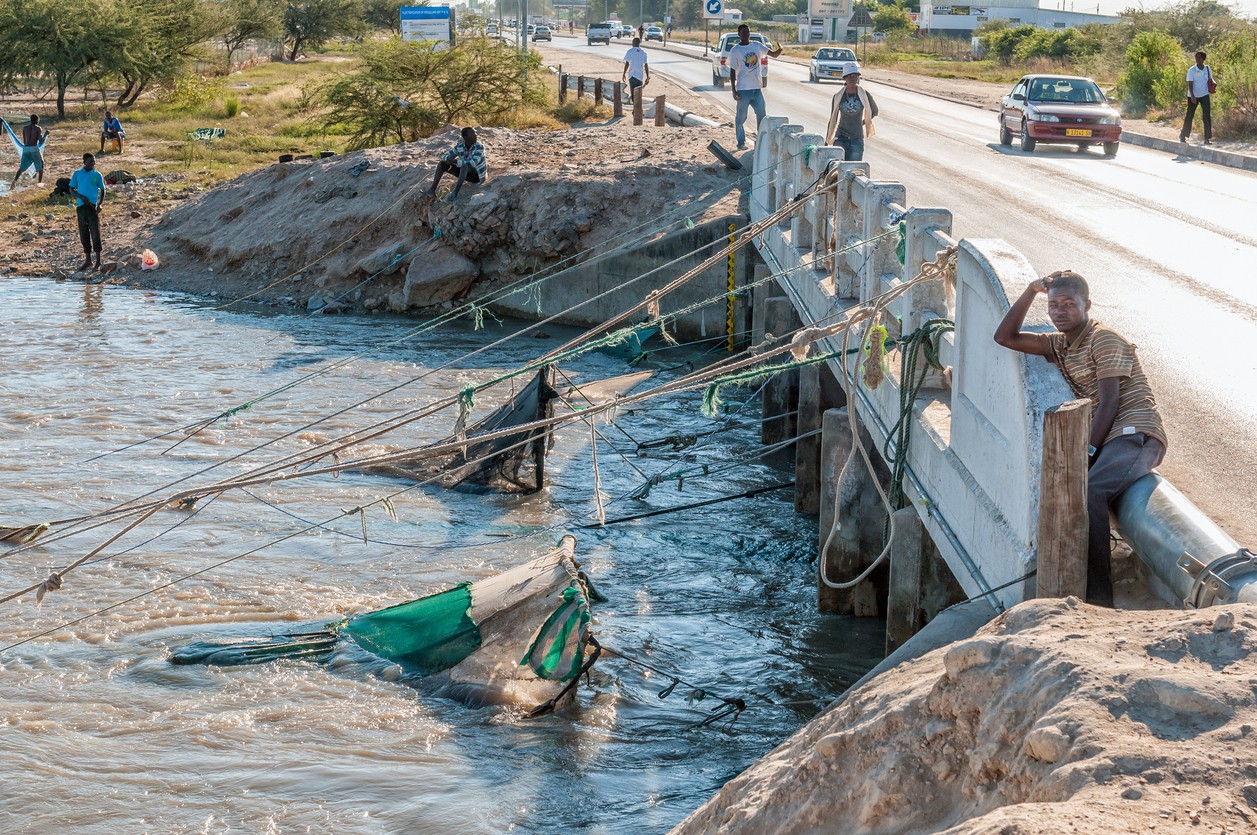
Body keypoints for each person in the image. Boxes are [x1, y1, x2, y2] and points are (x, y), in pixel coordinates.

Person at [994, 270, 1167, 608]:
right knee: (1076, 492)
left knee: (1091, 493)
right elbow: (1005, 337)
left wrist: (1087, 451)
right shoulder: (1060, 345)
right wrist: (1030, 291)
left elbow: (1111, 402)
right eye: (1054, 305)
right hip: (1113, 438)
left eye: (1069, 304)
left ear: (1087, 305)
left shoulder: (1104, 339)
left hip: (1136, 433)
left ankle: (1099, 599)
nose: (1060, 311)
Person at [728, 24, 782, 150]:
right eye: (743, 32)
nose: (746, 34)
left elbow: (774, 54)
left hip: (757, 90)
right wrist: (733, 90)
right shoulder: (735, 50)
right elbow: (732, 71)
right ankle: (741, 143)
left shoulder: (757, 45)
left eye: (747, 32)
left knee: (762, 116)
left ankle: (760, 143)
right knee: (740, 118)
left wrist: (781, 48)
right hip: (743, 90)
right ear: (739, 34)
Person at [824, 61, 878, 162]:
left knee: (854, 167)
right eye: (849, 76)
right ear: (844, 78)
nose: (852, 78)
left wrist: (863, 122)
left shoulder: (864, 94)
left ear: (858, 77)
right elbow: (832, 119)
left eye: (854, 75)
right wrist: (827, 141)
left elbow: (874, 111)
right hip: (840, 138)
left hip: (856, 139)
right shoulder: (838, 96)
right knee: (838, 167)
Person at [69, 152, 106, 272]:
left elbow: (103, 190)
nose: (93, 163)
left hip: (92, 207)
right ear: (84, 162)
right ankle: (88, 260)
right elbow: (71, 189)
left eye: (94, 161)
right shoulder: (77, 174)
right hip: (81, 207)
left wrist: (100, 204)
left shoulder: (97, 175)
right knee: (84, 234)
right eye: (90, 161)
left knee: (95, 233)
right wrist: (81, 197)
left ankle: (98, 261)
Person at [428, 126, 487, 201]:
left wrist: (456, 162)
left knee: (465, 166)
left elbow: (473, 163)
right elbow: (444, 156)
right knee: (442, 164)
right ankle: (432, 190)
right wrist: (448, 159)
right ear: (465, 137)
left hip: (477, 176)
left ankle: (455, 193)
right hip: (465, 173)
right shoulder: (460, 146)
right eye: (473, 133)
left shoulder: (479, 147)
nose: (476, 135)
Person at [1180, 51, 1215, 145]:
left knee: (1206, 116)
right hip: (1193, 96)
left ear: (1203, 59)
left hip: (1204, 95)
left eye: (1199, 57)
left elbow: (1210, 78)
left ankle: (1207, 138)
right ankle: (1183, 135)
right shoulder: (1192, 70)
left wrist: (1213, 82)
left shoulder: (1207, 68)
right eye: (1196, 57)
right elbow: (1190, 84)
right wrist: (1192, 96)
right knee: (1189, 116)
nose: (1197, 59)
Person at [10, 114, 48, 187]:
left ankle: (14, 181)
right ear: (37, 121)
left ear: (30, 120)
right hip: (34, 148)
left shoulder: (25, 128)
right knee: (41, 166)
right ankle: (39, 184)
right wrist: (45, 134)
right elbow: (41, 141)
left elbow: (25, 141)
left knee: (22, 168)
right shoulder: (38, 128)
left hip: (26, 149)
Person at [622, 37, 650, 103]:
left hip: (632, 75)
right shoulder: (643, 53)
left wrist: (624, 73)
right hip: (640, 76)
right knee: (638, 95)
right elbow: (646, 65)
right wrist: (647, 76)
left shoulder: (630, 51)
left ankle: (635, 107)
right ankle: (637, 107)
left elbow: (627, 63)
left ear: (633, 43)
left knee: (633, 95)